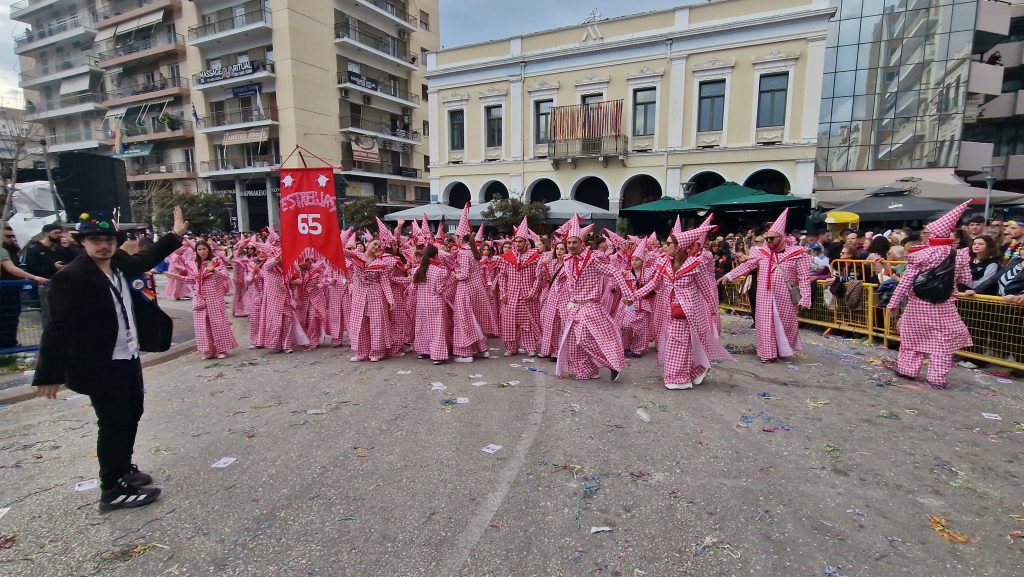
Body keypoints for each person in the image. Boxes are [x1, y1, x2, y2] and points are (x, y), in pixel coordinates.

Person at [34, 208, 188, 511]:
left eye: (107, 239)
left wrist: (175, 235)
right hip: (100, 363)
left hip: (127, 355)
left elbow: (145, 259)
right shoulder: (72, 277)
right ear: (83, 242)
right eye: (95, 240)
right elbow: (57, 327)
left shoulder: (117, 266)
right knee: (114, 422)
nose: (102, 245)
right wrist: (47, 373)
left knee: (132, 412)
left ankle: (123, 469)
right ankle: (111, 489)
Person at [885, 201, 973, 388]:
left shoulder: (921, 254)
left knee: (912, 339)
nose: (924, 235)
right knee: (942, 344)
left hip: (918, 304)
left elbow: (906, 281)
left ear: (932, 234)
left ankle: (908, 370)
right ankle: (937, 379)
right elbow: (965, 279)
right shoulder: (960, 255)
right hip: (944, 305)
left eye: (926, 232)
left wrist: (893, 304)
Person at [720, 209, 812, 363]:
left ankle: (782, 350)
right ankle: (767, 354)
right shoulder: (761, 253)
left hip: (784, 298)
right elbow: (747, 266)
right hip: (765, 296)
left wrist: (805, 298)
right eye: (766, 239)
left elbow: (804, 277)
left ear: (781, 238)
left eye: (772, 239)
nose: (768, 242)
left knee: (785, 324)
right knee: (765, 324)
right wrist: (729, 276)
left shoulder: (797, 254)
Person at [659, 225, 732, 389]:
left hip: (686, 310)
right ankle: (694, 371)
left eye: (669, 243)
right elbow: (653, 283)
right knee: (682, 343)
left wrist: (714, 312)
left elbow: (707, 289)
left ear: (678, 247)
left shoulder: (696, 263)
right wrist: (633, 294)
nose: (665, 245)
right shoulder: (665, 262)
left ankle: (678, 378)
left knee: (678, 343)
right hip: (671, 309)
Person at [554, 215, 625, 382]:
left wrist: (628, 295)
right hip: (574, 306)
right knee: (572, 343)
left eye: (574, 242)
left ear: (582, 243)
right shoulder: (567, 260)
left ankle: (611, 364)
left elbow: (614, 271)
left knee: (585, 338)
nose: (571, 245)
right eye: (569, 243)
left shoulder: (592, 259)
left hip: (590, 306)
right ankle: (587, 371)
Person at [495, 217, 543, 357]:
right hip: (511, 295)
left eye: (520, 241)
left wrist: (533, 292)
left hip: (527, 295)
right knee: (509, 322)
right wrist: (503, 293)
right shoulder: (506, 257)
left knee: (527, 322)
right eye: (516, 241)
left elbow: (538, 277)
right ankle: (511, 348)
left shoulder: (534, 257)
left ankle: (530, 347)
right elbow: (502, 276)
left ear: (526, 242)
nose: (517, 244)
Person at [184, 240, 237, 359]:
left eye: (204, 249)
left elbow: (225, 277)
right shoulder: (193, 264)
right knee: (202, 324)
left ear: (208, 249)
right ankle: (207, 351)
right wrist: (179, 278)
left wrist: (213, 269)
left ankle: (221, 350)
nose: (202, 252)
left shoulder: (216, 262)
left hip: (215, 297)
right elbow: (192, 279)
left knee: (218, 323)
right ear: (196, 251)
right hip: (200, 298)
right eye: (199, 249)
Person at [1, 225, 49, 348]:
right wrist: (34, 277)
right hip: (6, 291)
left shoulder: (11, 250)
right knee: (8, 320)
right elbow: (11, 269)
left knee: (9, 320)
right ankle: (8, 348)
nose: (12, 239)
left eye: (13, 236)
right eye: (8, 236)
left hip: (10, 290)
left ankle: (8, 346)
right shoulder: (3, 251)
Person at [23, 223, 75, 324]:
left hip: (64, 283)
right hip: (46, 284)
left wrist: (67, 248)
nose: (59, 235)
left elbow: (73, 261)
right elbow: (32, 268)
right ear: (46, 234)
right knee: (49, 313)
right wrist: (53, 267)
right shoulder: (34, 249)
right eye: (56, 233)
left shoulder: (60, 248)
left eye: (60, 233)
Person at [412, 244, 454, 364]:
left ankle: (423, 351)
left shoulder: (416, 270)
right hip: (435, 303)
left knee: (423, 327)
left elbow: (413, 288)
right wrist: (451, 280)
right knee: (437, 329)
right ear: (436, 255)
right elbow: (440, 289)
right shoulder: (440, 271)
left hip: (421, 303)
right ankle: (437, 355)